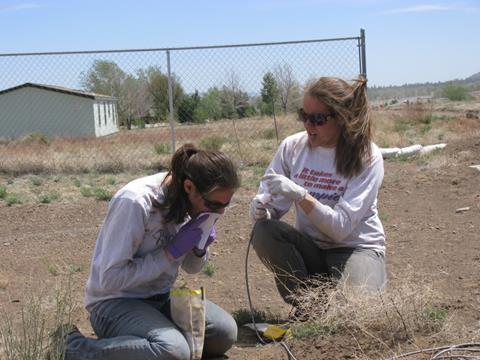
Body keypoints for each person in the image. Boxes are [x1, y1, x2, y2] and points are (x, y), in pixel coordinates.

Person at [59, 144, 240, 359]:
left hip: (160, 296)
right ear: (189, 187)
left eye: (225, 205)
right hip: (114, 302)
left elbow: (191, 268)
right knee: (174, 351)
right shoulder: (135, 201)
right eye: (213, 204)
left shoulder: (194, 203)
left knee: (224, 334)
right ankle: (73, 346)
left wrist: (200, 249)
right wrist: (169, 253)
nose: (219, 212)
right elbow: (110, 279)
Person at [249, 75, 386, 307]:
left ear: (342, 118)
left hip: (354, 248)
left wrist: (301, 196)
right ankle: (309, 305)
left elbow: (339, 229)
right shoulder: (292, 148)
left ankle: (337, 299)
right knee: (263, 231)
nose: (308, 125)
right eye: (304, 116)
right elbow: (273, 205)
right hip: (311, 248)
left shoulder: (366, 156)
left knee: (359, 312)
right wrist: (263, 210)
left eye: (318, 119)